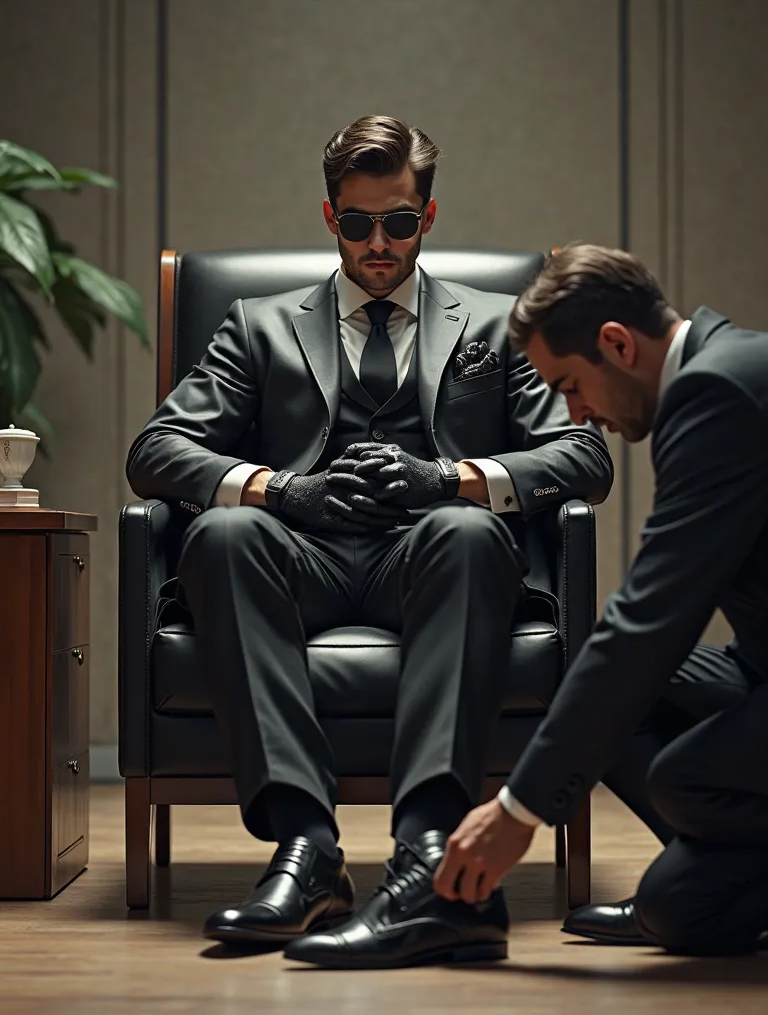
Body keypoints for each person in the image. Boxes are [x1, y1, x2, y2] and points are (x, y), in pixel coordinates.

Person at [126, 117, 612, 969]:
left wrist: (452, 478)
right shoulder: (260, 325)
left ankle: (428, 854)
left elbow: (583, 455)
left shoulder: (499, 325)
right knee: (227, 532)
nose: (378, 243)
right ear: (329, 218)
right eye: (357, 223)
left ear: (428, 218)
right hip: (298, 555)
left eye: (397, 221)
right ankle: (306, 850)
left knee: (466, 534)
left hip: (432, 554)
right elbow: (157, 450)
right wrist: (282, 489)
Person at [434, 242, 768, 957]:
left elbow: (651, 621)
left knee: (685, 780)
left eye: (569, 384)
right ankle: (708, 874)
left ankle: (706, 879)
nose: (576, 412)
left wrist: (517, 810)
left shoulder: (720, 394)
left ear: (616, 344)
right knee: (600, 686)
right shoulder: (714, 374)